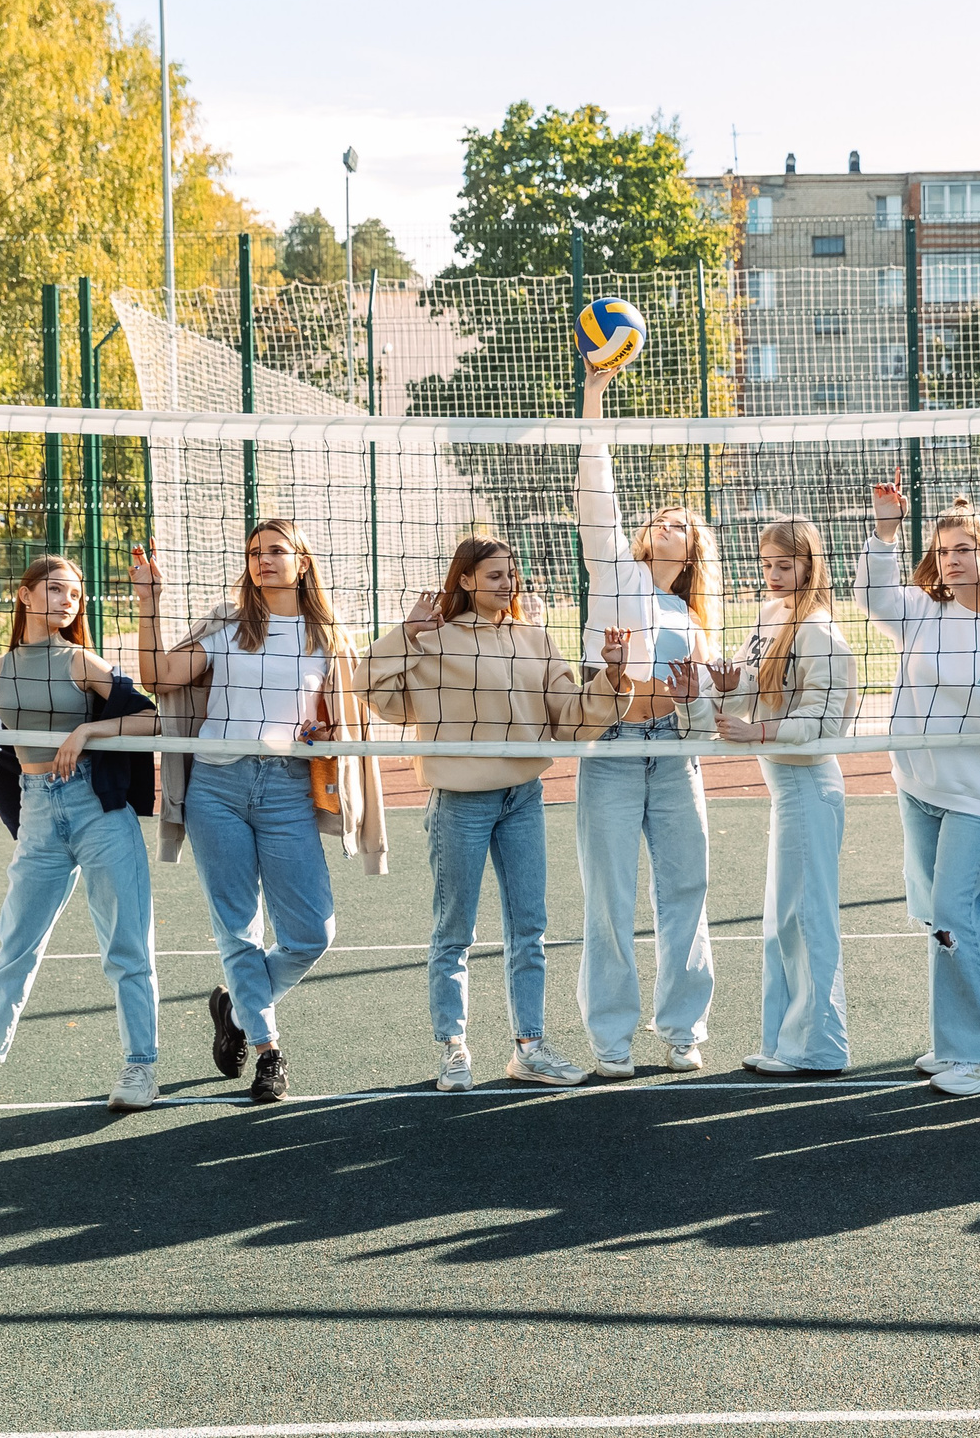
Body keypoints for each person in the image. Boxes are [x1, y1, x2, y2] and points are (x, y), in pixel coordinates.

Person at [361, 538, 636, 1091]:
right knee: (454, 931)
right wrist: (406, 634)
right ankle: (453, 1049)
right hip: (459, 802)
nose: (507, 583)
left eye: (511, 574)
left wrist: (610, 676)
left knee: (529, 928)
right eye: (493, 575)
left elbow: (570, 717)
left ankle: (529, 1049)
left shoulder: (534, 638)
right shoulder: (433, 641)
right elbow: (372, 688)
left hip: (522, 798)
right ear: (465, 580)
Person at [132, 524, 387, 1106]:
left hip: (287, 788)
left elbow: (343, 716)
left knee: (311, 933)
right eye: (254, 552)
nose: (263, 560)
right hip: (216, 787)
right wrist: (149, 603)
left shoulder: (328, 638)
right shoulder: (227, 628)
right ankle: (269, 1050)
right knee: (238, 928)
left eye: (275, 550)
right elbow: (158, 678)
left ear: (302, 561)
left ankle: (236, 1010)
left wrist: (325, 732)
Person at [0, 555, 165, 1115]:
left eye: (74, 594)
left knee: (127, 946)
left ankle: (141, 1067)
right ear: (25, 595)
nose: (66, 601)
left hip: (97, 810)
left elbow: (151, 718)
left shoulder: (82, 661)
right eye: (55, 589)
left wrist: (88, 731)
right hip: (37, 813)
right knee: (16, 947)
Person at [857, 481, 980, 1097]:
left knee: (953, 912)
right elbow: (872, 594)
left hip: (977, 794)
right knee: (935, 918)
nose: (951, 560)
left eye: (963, 548)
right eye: (942, 551)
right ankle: (954, 1044)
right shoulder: (920, 611)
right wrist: (885, 531)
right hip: (918, 784)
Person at [573, 366, 721, 1075]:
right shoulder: (616, 575)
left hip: (675, 758)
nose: (669, 523)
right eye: (661, 517)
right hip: (613, 748)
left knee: (686, 891)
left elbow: (705, 709)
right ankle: (611, 1037)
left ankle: (683, 1028)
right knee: (610, 898)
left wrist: (697, 694)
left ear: (691, 550)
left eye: (682, 524)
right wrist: (594, 399)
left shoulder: (693, 618)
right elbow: (596, 500)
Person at [712, 516, 859, 1074]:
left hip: (808, 782)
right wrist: (730, 689)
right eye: (767, 565)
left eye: (785, 565)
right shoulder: (770, 614)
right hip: (784, 784)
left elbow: (824, 719)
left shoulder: (818, 629)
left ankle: (819, 1048)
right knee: (783, 921)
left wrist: (759, 732)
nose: (773, 575)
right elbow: (756, 685)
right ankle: (782, 1044)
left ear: (809, 565)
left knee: (807, 918)